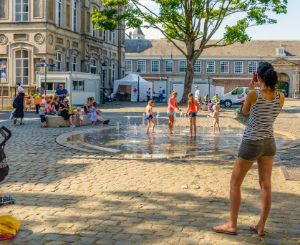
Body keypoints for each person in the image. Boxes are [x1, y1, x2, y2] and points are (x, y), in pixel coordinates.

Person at [213, 62, 285, 236]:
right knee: (266, 185)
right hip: (269, 142)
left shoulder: (253, 94)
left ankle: (232, 224)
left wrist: (251, 89)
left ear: (258, 76)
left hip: (252, 141)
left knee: (235, 183)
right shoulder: (280, 96)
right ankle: (261, 226)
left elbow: (244, 114)